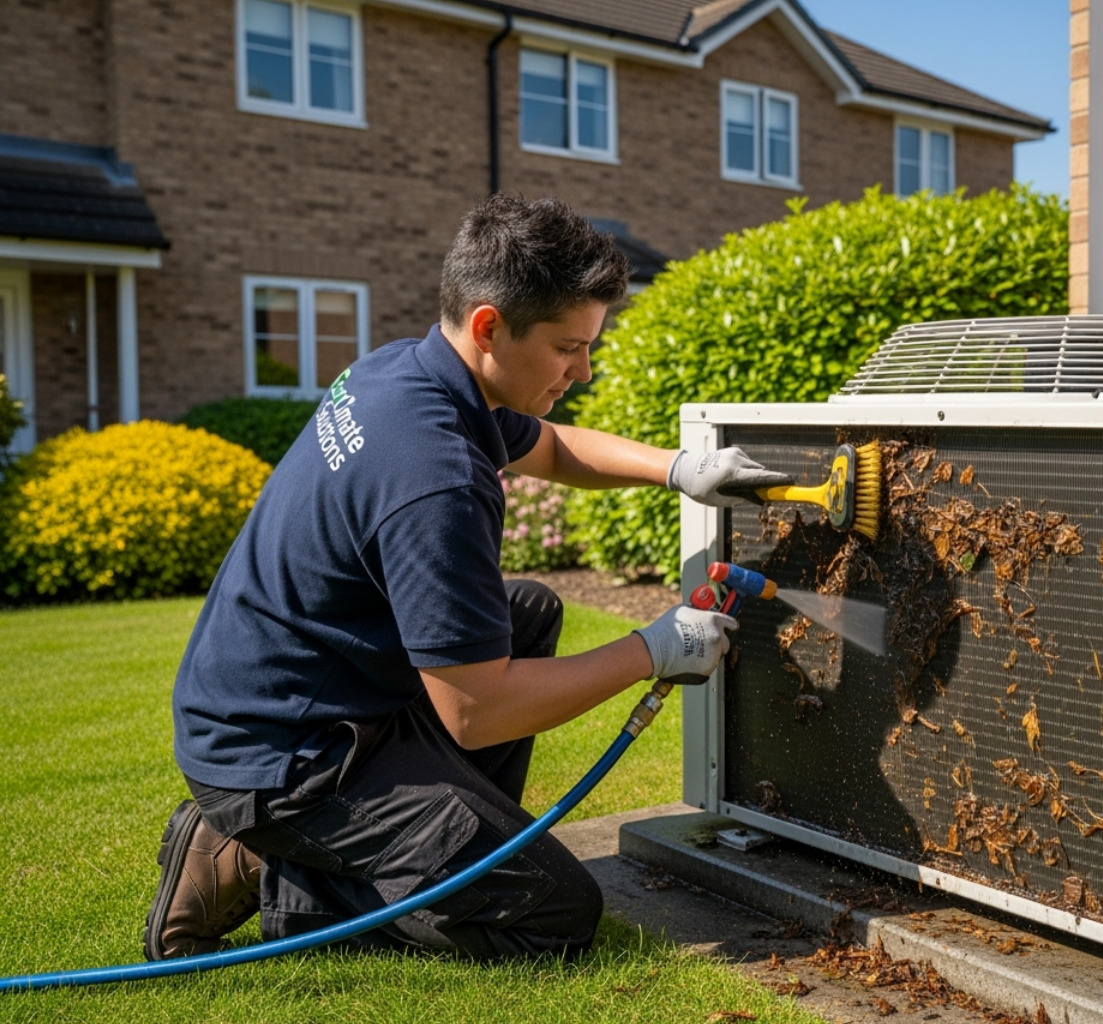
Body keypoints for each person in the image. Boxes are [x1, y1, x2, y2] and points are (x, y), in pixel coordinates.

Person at [145, 194, 792, 961]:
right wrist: (653, 650)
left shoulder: (409, 371)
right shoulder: (434, 473)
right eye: (566, 347)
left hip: (305, 694)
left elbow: (549, 447)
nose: (583, 371)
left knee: (525, 612)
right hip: (286, 758)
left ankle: (439, 843)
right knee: (549, 910)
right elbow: (477, 713)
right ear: (489, 326)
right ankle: (264, 864)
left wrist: (681, 468)